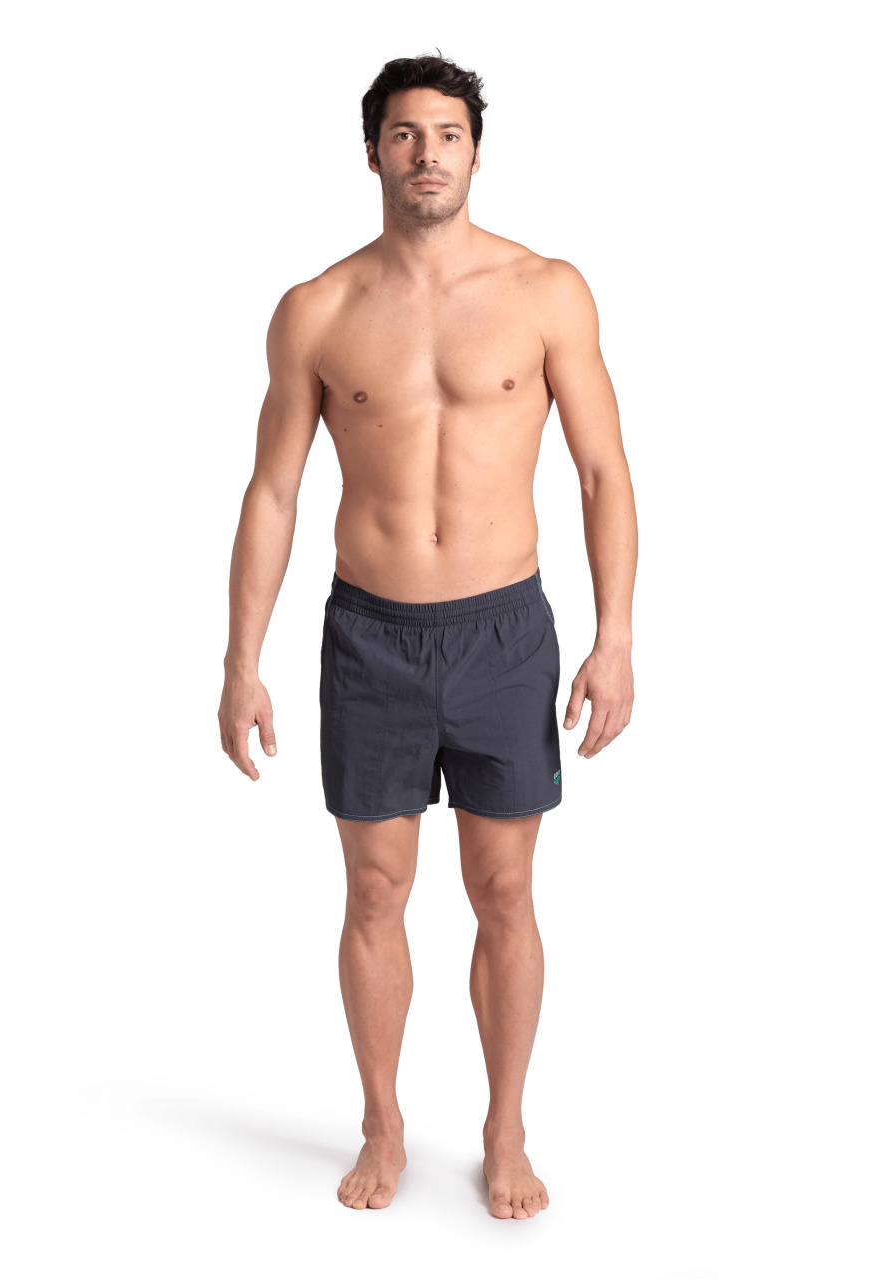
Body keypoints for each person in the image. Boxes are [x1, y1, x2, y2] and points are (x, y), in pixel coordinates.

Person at [218, 53, 637, 1221]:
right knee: (373, 892)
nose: (427, 154)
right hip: (372, 636)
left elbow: (604, 473)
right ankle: (384, 1121)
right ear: (373, 153)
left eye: (447, 134)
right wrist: (241, 662)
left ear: (476, 153)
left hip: (504, 631)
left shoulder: (547, 292)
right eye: (405, 134)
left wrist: (616, 636)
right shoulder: (318, 310)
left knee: (505, 889)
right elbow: (272, 493)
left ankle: (505, 1127)